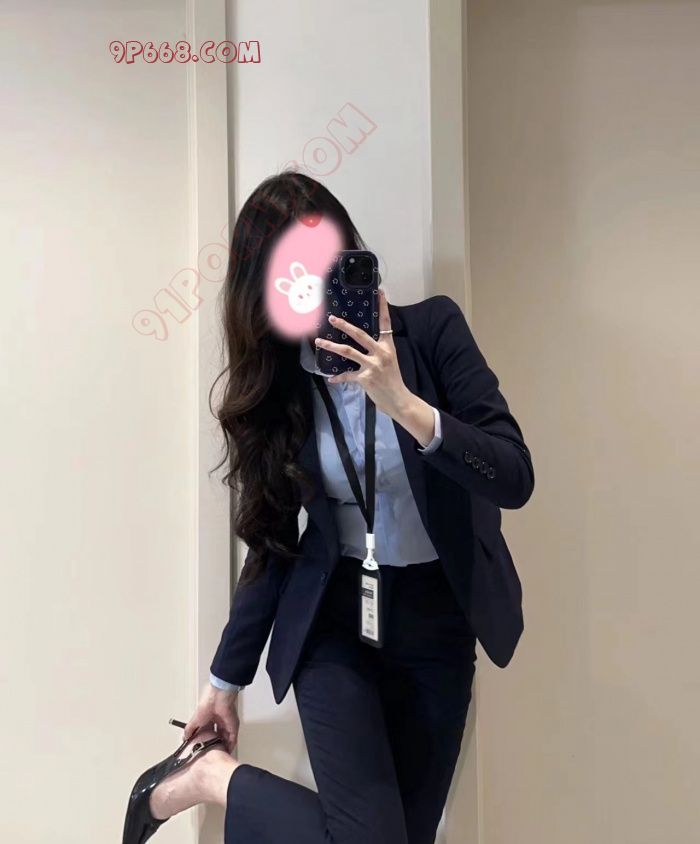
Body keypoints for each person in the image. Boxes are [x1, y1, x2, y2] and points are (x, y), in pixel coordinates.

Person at [122, 171, 535, 844]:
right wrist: (224, 681)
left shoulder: (433, 331)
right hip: (335, 626)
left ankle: (212, 779)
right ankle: (208, 778)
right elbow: (272, 540)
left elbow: (513, 476)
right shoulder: (283, 384)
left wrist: (404, 404)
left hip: (438, 624)